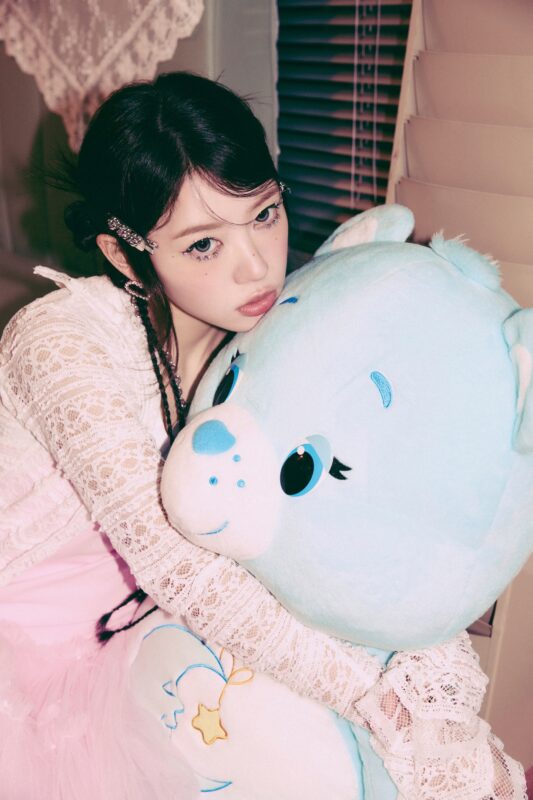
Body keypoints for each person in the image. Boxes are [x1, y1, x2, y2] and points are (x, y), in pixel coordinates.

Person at [0, 72, 524, 800]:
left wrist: (437, 704)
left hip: (140, 647)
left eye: (266, 213)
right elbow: (176, 565)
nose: (256, 265)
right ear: (124, 255)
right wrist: (376, 700)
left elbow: (366, 520)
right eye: (203, 245)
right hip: (24, 663)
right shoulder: (60, 340)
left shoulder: (269, 328)